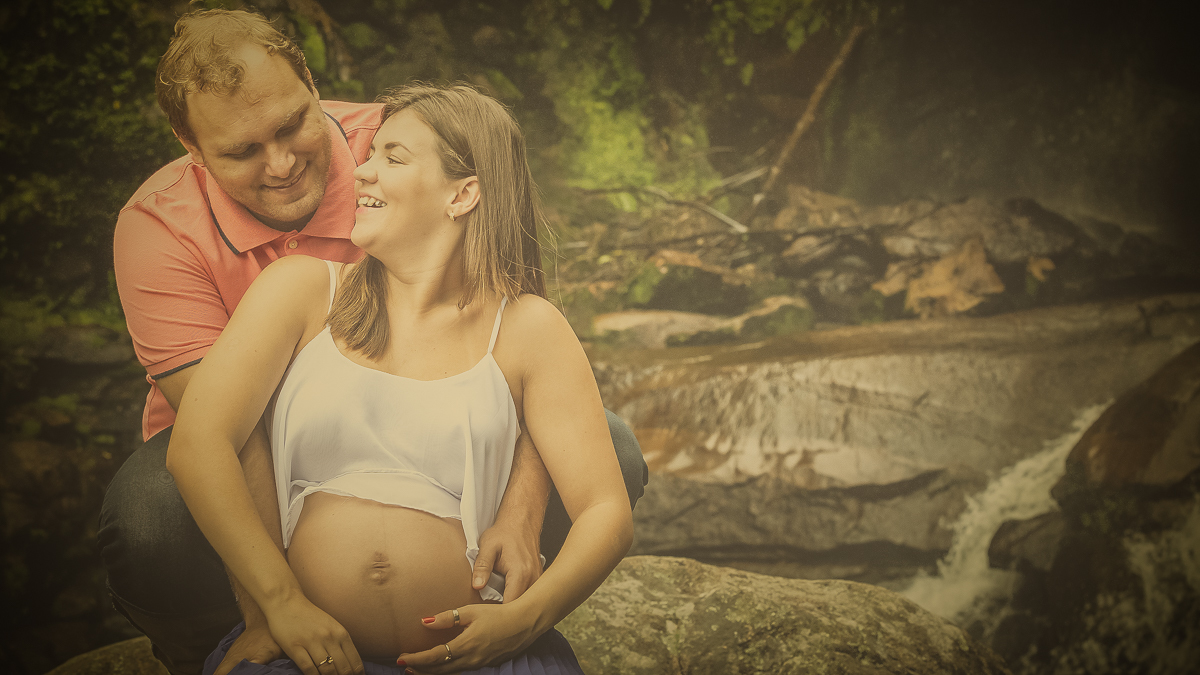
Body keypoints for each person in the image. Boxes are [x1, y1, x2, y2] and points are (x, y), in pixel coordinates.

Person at [101, 9, 647, 675]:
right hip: (262, 442)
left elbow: (515, 325)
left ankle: (500, 584)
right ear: (191, 144)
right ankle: (206, 642)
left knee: (610, 444)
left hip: (436, 437)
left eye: (292, 126)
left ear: (311, 83)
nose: (282, 164)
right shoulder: (166, 231)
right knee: (150, 515)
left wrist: (522, 513)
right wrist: (273, 604)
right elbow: (228, 432)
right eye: (243, 152)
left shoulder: (402, 135)